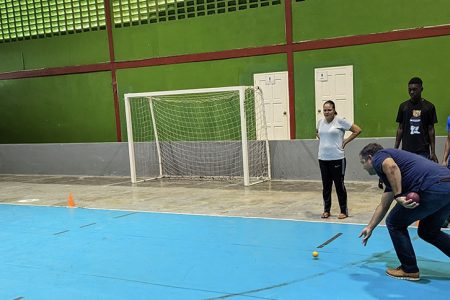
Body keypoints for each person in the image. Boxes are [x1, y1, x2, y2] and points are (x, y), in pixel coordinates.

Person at [358, 143, 450, 281]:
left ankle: (409, 269)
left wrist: (398, 195)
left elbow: (391, 167)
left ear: (370, 158)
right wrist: (370, 227)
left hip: (433, 186)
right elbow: (383, 205)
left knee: (394, 223)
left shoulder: (379, 157)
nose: (363, 167)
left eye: (363, 162)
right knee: (429, 232)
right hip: (447, 186)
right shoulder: (391, 176)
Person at [316, 100, 361, 219]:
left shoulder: (340, 121)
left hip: (337, 158)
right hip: (323, 158)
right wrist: (325, 143)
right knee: (326, 186)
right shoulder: (320, 122)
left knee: (339, 185)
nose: (326, 112)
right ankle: (326, 210)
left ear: (334, 110)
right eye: (325, 110)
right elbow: (318, 133)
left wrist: (345, 141)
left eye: (329, 110)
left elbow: (357, 130)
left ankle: (343, 211)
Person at [394, 77, 438, 162]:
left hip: (423, 150)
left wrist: (433, 152)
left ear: (421, 89)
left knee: (422, 174)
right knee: (407, 174)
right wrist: (395, 149)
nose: (411, 92)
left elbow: (431, 130)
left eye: (414, 89)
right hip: (406, 150)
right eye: (409, 89)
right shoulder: (403, 107)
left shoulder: (429, 107)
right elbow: (400, 128)